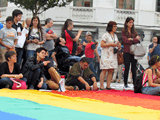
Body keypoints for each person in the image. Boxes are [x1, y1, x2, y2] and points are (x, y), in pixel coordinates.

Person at [100, 21, 121, 90]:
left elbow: (115, 44)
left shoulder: (115, 35)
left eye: (116, 26)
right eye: (114, 26)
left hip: (113, 54)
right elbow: (102, 44)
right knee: (104, 70)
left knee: (111, 70)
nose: (116, 28)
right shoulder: (105, 35)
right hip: (106, 54)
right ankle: (101, 85)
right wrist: (111, 44)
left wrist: (118, 45)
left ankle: (108, 85)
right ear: (110, 27)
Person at [122, 17, 140, 89]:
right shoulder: (124, 31)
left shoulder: (134, 31)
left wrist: (132, 39)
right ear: (126, 23)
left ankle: (134, 84)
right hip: (127, 51)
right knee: (126, 68)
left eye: (132, 22)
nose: (131, 24)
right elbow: (125, 41)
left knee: (134, 68)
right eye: (130, 22)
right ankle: (125, 83)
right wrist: (134, 39)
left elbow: (138, 40)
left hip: (134, 52)